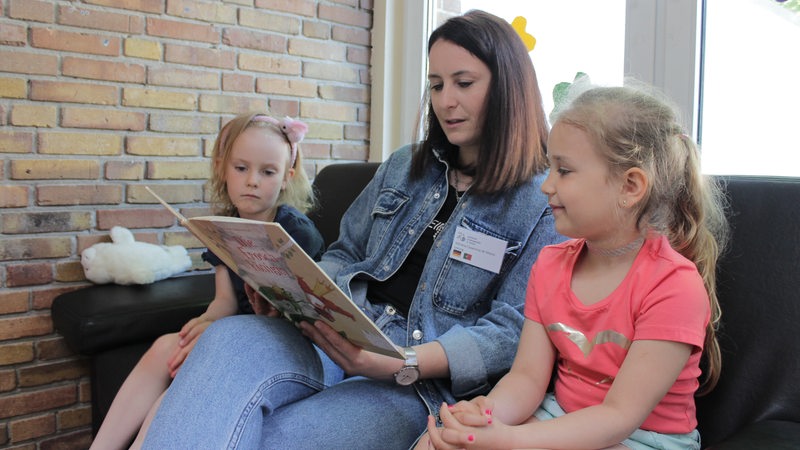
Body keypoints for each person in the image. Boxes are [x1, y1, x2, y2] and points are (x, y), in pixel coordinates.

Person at [139, 10, 564, 450]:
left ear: (508, 87)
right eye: (436, 85)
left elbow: (513, 332)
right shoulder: (405, 165)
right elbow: (345, 253)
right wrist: (298, 297)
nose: (445, 100)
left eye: (464, 83)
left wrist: (402, 361)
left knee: (273, 438)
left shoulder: (544, 200)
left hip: (416, 385)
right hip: (334, 337)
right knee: (226, 340)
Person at [421, 84, 730, 450]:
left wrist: (511, 440)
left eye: (564, 171)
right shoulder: (550, 264)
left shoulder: (674, 286)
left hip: (643, 439)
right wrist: (486, 416)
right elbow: (526, 378)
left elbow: (618, 416)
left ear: (630, 186)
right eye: (549, 168)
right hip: (558, 416)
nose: (546, 186)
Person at [90, 112, 324, 450]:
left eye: (267, 172)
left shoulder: (295, 230)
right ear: (223, 169)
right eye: (241, 168)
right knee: (169, 347)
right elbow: (224, 302)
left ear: (286, 177)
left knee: (189, 371)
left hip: (288, 339)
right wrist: (205, 323)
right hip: (239, 328)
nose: (252, 181)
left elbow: (311, 307)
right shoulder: (221, 227)